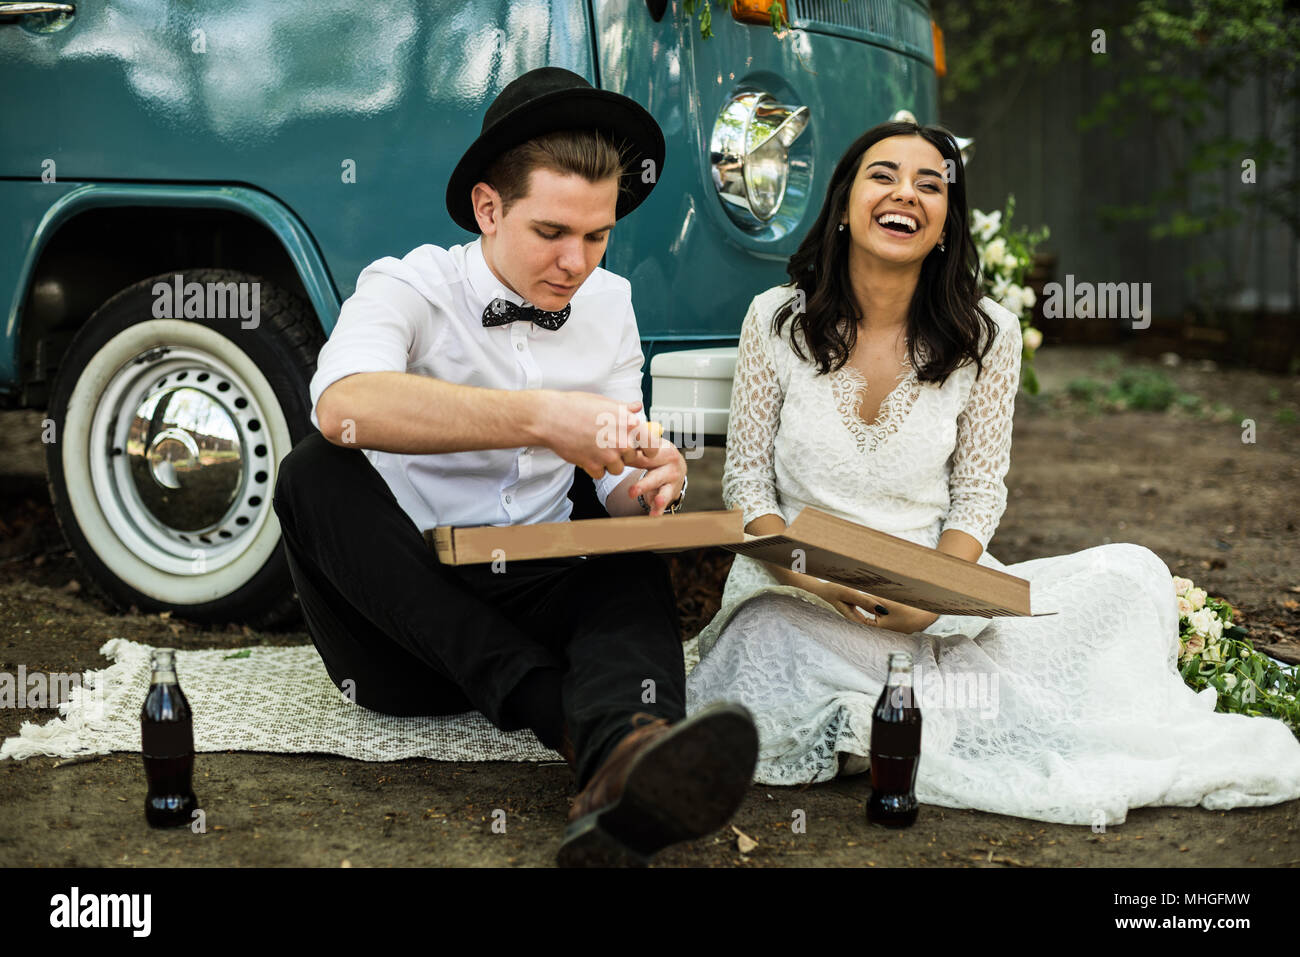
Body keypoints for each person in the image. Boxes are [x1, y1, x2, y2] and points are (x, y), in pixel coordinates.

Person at [685, 120, 1300, 826]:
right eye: (883, 175)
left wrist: (932, 595)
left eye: (929, 184)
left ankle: (887, 711)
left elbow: (976, 497)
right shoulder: (774, 321)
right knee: (768, 639)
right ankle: (874, 711)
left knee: (1132, 576)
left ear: (946, 222)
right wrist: (815, 576)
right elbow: (747, 489)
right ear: (845, 206)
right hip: (797, 593)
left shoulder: (987, 335)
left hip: (933, 596)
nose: (906, 193)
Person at [272, 67, 758, 866]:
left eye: (597, 236)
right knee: (313, 472)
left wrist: (645, 480)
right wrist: (536, 417)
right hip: (398, 631)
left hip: (538, 590)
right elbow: (342, 407)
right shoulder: (408, 285)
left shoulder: (611, 304)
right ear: (488, 209)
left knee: (621, 548)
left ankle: (626, 757)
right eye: (552, 233)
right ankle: (564, 721)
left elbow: (612, 481)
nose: (577, 263)